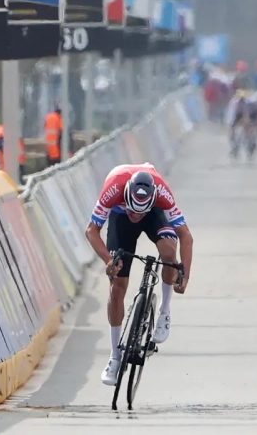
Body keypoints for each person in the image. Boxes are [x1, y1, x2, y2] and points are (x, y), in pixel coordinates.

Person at [85, 163, 194, 386]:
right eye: (134, 211)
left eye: (139, 212)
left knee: (168, 253)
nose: (136, 216)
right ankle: (114, 357)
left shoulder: (162, 194)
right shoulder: (114, 190)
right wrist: (108, 260)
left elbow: (186, 236)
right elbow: (91, 231)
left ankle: (164, 312)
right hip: (118, 216)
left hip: (154, 215)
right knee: (117, 287)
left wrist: (185, 275)